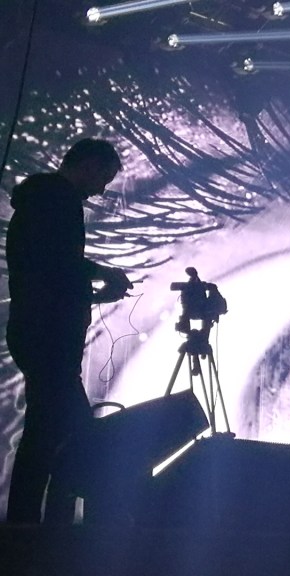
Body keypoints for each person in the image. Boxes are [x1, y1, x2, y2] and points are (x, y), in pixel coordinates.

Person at [5, 138, 133, 523]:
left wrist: (92, 285)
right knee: (70, 433)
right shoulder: (57, 201)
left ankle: (29, 524)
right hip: (50, 339)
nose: (102, 189)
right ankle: (45, 525)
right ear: (88, 165)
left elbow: (50, 268)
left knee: (46, 431)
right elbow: (60, 264)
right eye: (103, 177)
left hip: (38, 333)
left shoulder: (41, 201)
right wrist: (102, 276)